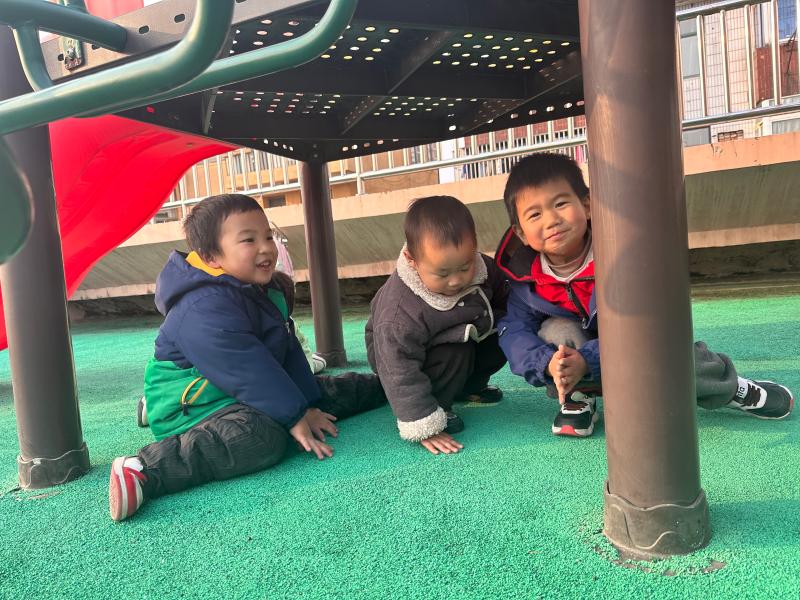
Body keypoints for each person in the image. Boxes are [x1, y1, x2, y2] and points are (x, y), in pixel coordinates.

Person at [110, 194, 384, 521]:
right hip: (193, 406)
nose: (265, 248)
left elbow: (287, 353)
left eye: (268, 236)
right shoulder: (201, 306)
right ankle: (144, 469)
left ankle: (389, 385)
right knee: (261, 437)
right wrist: (294, 416)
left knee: (321, 394)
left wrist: (308, 404)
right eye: (249, 240)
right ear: (211, 257)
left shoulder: (262, 290)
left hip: (237, 391)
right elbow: (247, 368)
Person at [495, 152, 794, 437]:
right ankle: (577, 396)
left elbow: (643, 328)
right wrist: (548, 363)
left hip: (637, 340)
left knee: (667, 354)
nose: (551, 220)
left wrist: (588, 358)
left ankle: (729, 387)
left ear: (587, 206)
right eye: (535, 214)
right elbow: (514, 330)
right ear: (521, 233)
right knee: (555, 332)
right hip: (583, 355)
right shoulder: (524, 278)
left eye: (560, 204)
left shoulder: (620, 250)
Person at [365, 195, 508, 455]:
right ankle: (438, 405)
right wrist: (423, 422)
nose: (456, 281)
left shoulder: (482, 267)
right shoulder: (398, 312)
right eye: (442, 273)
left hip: (457, 337)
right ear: (411, 259)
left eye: (464, 267)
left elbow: (505, 295)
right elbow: (397, 368)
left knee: (505, 330)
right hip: (405, 361)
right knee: (455, 351)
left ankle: (469, 387)